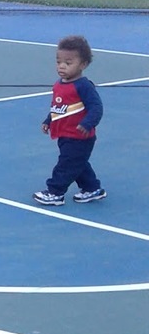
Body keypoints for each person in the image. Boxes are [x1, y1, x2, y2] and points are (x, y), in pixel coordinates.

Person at [33, 35, 106, 206]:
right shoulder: (59, 84)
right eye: (59, 62)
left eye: (68, 62)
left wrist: (88, 123)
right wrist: (48, 120)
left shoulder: (84, 86)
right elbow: (59, 107)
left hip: (80, 136)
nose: (61, 66)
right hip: (64, 134)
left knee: (66, 164)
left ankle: (55, 192)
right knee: (77, 162)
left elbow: (96, 107)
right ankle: (92, 188)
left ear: (83, 65)